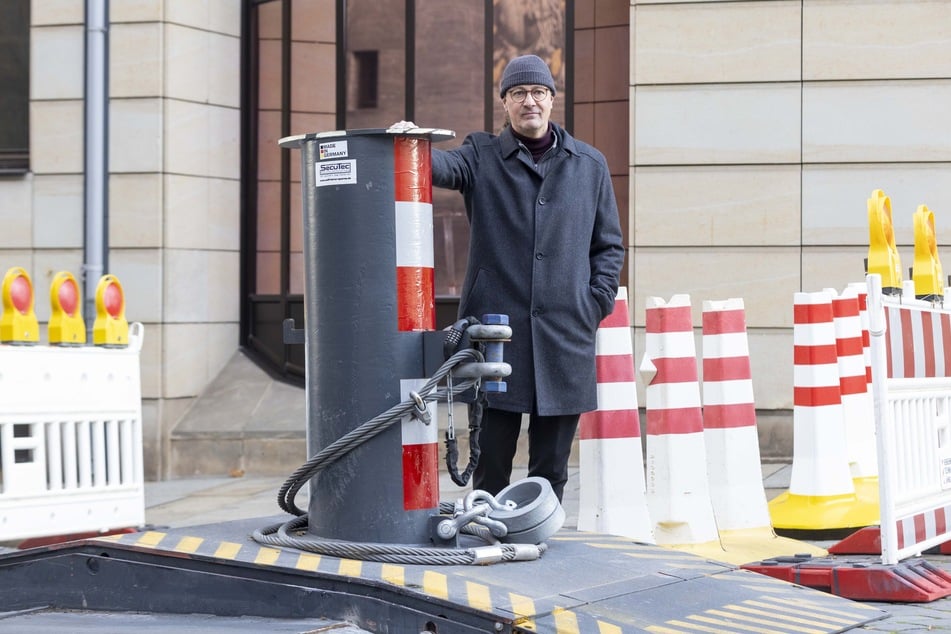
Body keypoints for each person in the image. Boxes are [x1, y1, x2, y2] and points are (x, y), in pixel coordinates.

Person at [428, 54, 625, 503]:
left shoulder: (589, 165)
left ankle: (540, 540)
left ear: (552, 101)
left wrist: (594, 302)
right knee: (492, 463)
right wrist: (406, 146)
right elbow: (442, 168)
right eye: (518, 93)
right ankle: (488, 536)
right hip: (497, 336)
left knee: (551, 469)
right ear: (505, 103)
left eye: (538, 92)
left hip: (565, 334)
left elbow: (609, 246)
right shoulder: (480, 157)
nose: (529, 102)